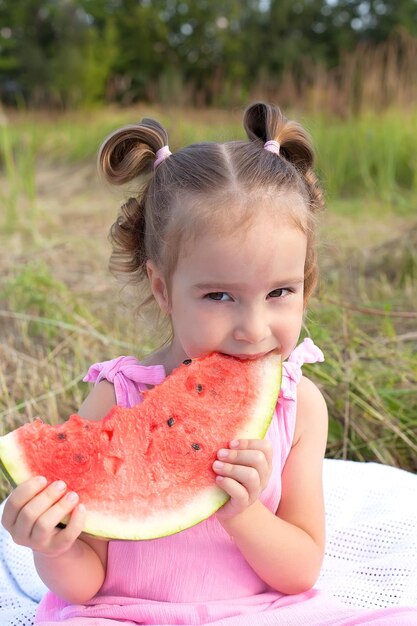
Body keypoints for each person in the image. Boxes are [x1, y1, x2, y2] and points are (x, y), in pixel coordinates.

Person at [2, 102, 416, 626]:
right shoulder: (117, 394)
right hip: (126, 614)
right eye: (220, 295)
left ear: (306, 287)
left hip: (262, 612)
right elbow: (87, 586)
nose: (254, 327)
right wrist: (52, 545)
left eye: (279, 292)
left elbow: (300, 571)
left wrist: (242, 513)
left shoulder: (300, 405)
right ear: (162, 289)